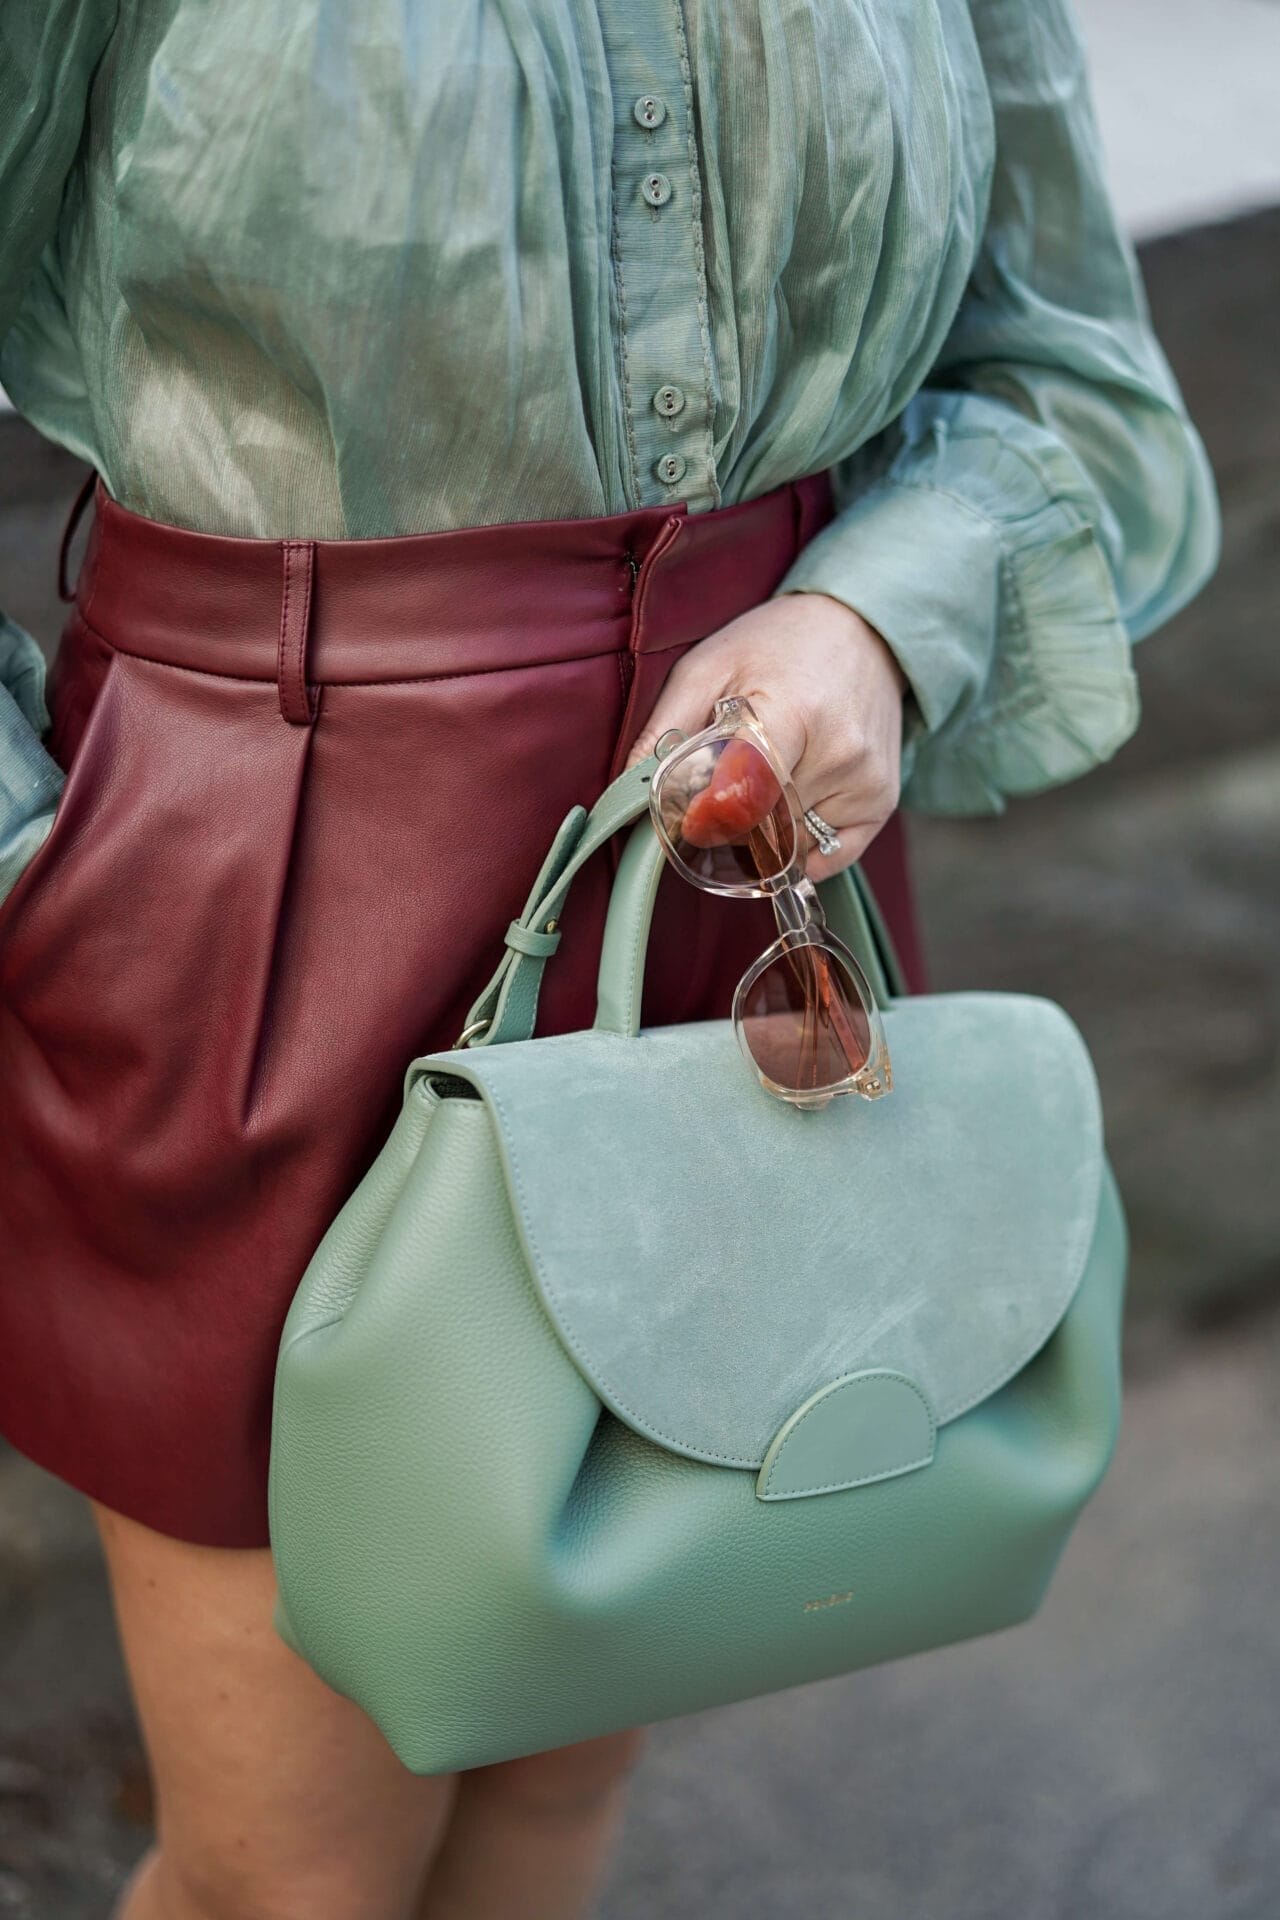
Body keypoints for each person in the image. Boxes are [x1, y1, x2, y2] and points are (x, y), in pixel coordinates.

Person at [0, 3, 1218, 1916]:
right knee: (289, 1882)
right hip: (251, 896)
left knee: (557, 1788)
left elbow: (1066, 368)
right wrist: (39, 872)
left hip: (743, 867)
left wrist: (875, 625)